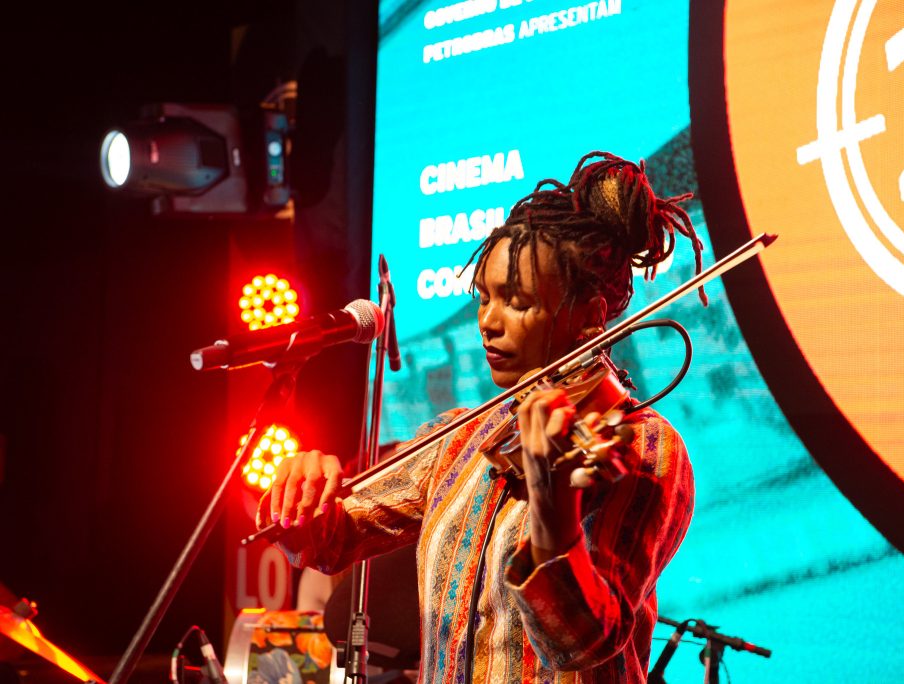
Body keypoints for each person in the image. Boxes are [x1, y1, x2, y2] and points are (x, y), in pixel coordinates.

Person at [261, 151, 704, 683]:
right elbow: (328, 540)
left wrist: (553, 504)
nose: (488, 323)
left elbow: (583, 643)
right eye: (483, 298)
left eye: (516, 301)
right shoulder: (464, 437)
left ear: (589, 317)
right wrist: (296, 492)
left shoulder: (645, 449)